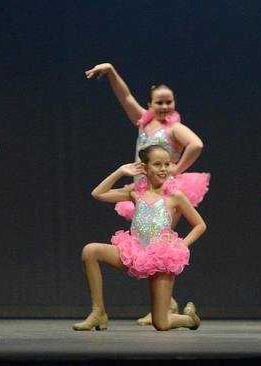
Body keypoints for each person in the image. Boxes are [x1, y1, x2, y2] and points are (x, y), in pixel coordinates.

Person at [85, 62, 209, 324]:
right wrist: (111, 71)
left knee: (161, 241)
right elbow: (125, 96)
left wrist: (176, 169)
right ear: (150, 104)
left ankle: (164, 306)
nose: (165, 107)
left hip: (164, 190)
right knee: (145, 238)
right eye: (159, 102)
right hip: (142, 189)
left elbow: (196, 144)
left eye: (169, 102)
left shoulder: (174, 128)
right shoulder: (144, 123)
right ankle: (166, 303)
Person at [73, 145, 206, 331]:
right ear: (144, 168)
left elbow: (200, 225)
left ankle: (189, 320)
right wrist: (120, 171)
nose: (163, 169)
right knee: (90, 250)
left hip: (161, 259)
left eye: (167, 164)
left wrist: (181, 245)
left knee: (161, 323)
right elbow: (98, 193)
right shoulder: (135, 192)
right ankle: (98, 313)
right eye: (157, 164)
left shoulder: (175, 196)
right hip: (134, 253)